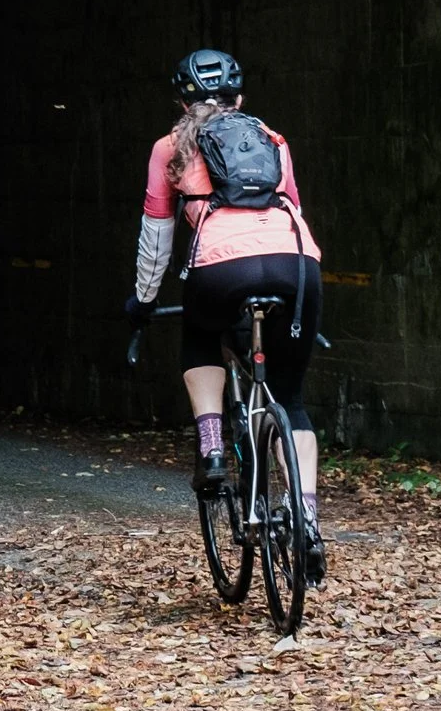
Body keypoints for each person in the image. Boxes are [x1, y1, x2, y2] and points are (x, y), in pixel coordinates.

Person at [127, 47, 325, 578]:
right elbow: (292, 211)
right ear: (240, 98)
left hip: (219, 272)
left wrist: (144, 301)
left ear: (182, 102)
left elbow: (157, 238)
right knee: (292, 399)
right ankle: (306, 519)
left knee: (199, 336)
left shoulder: (169, 148)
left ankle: (213, 450)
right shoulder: (272, 140)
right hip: (296, 266)